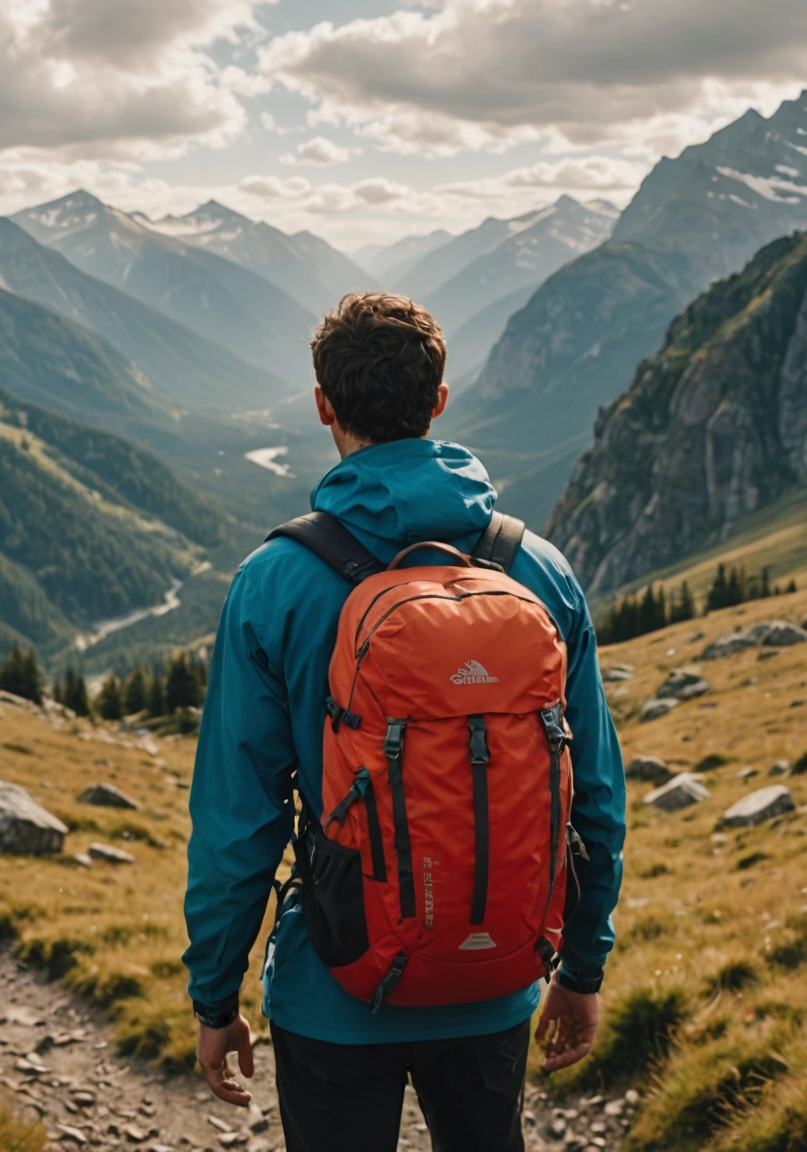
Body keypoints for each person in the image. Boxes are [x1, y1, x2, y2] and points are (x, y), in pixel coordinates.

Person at [181, 292, 627, 1151]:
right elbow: (593, 797)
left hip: (335, 987)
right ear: (440, 401)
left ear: (323, 406)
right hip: (495, 974)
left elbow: (239, 822)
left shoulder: (273, 583)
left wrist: (216, 996)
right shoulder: (541, 571)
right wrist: (581, 968)